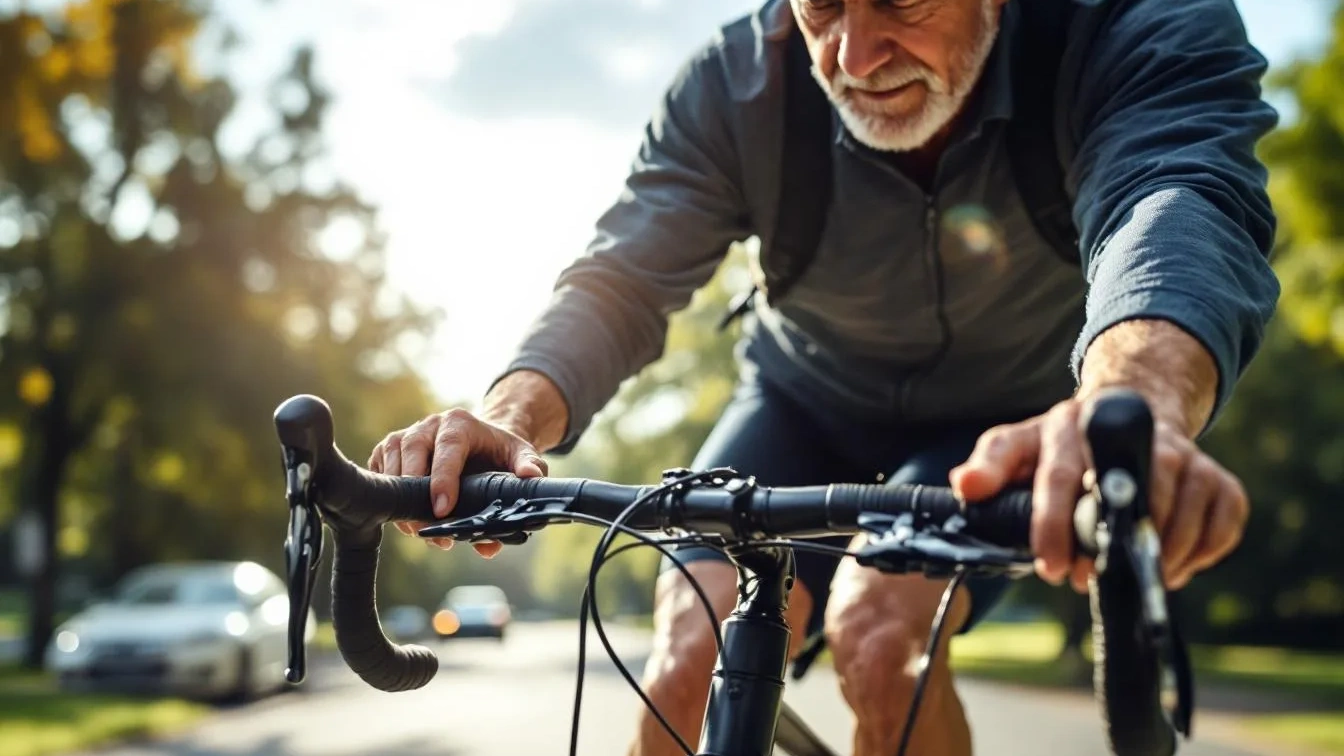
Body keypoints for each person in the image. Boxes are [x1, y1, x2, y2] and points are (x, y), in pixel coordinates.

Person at [369, 0, 1280, 753]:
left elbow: (1176, 197)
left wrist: (1133, 400)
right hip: (801, 399)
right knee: (690, 649)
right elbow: (624, 276)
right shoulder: (736, 85)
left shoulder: (1133, 23)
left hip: (998, 425)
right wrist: (508, 416)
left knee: (882, 635)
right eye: (822, 6)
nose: (852, 54)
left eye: (900, 2)